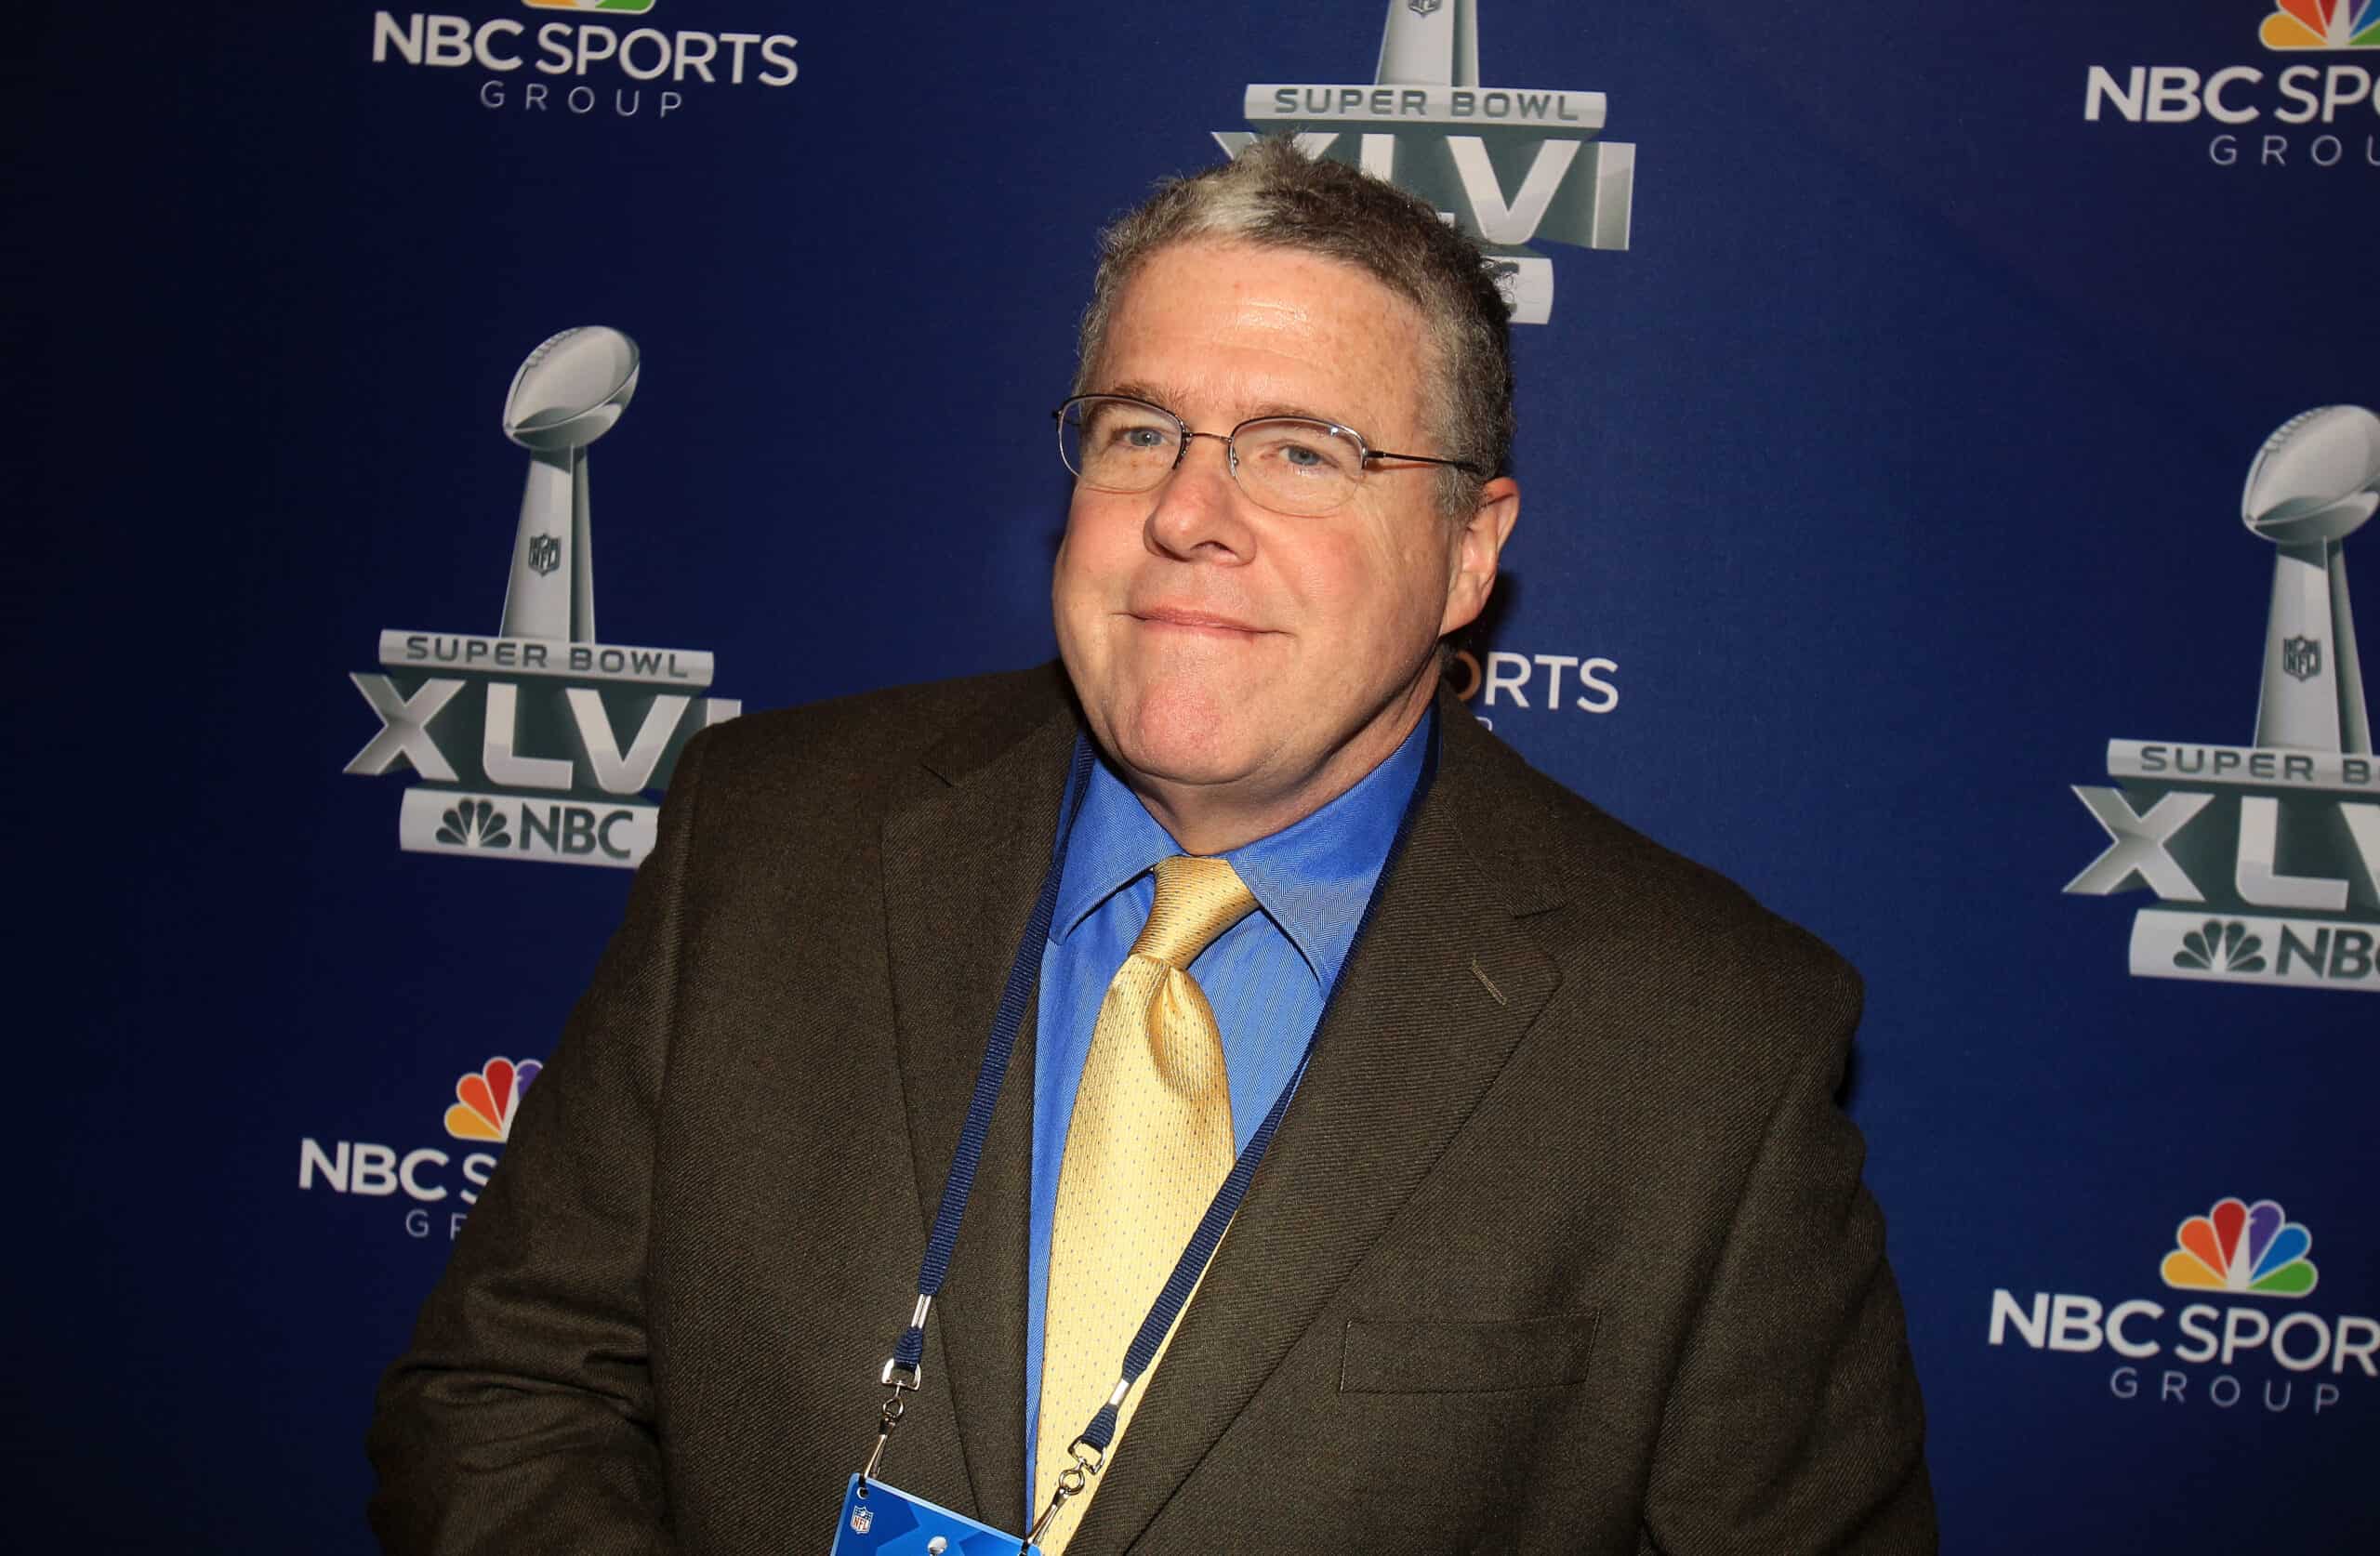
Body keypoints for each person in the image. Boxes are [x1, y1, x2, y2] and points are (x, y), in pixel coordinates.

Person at [369, 140, 1936, 1555]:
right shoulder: (765, 840)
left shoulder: (1707, 1043)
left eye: (1303, 450)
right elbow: (505, 1399)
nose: (1191, 511)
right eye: (1141, 430)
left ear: (1470, 549)